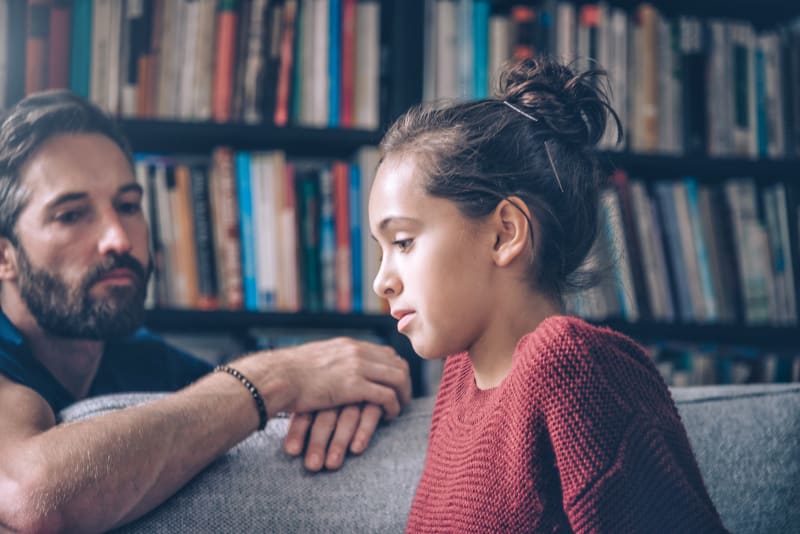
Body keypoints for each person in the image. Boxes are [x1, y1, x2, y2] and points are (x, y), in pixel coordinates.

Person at [0, 90, 411, 533]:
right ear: (5, 256)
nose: (118, 238)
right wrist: (275, 378)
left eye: (128, 206)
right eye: (71, 215)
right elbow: (30, 494)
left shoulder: (144, 362)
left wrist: (350, 388)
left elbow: (244, 411)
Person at [369, 57, 728, 533]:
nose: (382, 281)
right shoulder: (460, 378)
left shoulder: (567, 363)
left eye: (402, 242)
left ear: (504, 233)